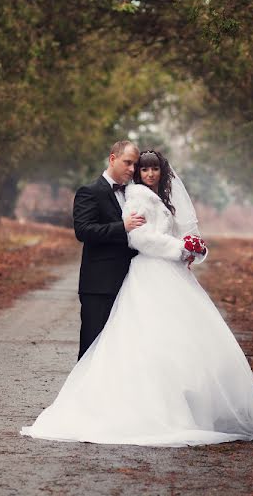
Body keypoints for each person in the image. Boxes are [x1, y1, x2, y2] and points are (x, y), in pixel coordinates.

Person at [21, 149, 253, 447]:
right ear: (115, 160)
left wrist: (194, 249)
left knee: (174, 342)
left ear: (161, 171)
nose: (144, 173)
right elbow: (138, 238)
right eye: (137, 167)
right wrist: (177, 249)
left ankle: (185, 406)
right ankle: (105, 406)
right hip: (142, 272)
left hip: (166, 274)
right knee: (123, 342)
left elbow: (177, 232)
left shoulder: (159, 198)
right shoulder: (135, 196)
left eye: (149, 169)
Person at [71, 140, 145, 360]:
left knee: (121, 351)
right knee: (92, 347)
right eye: (128, 163)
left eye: (135, 165)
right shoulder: (89, 192)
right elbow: (83, 231)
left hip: (130, 283)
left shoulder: (135, 194)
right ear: (112, 159)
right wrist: (122, 226)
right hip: (99, 286)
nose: (132, 170)